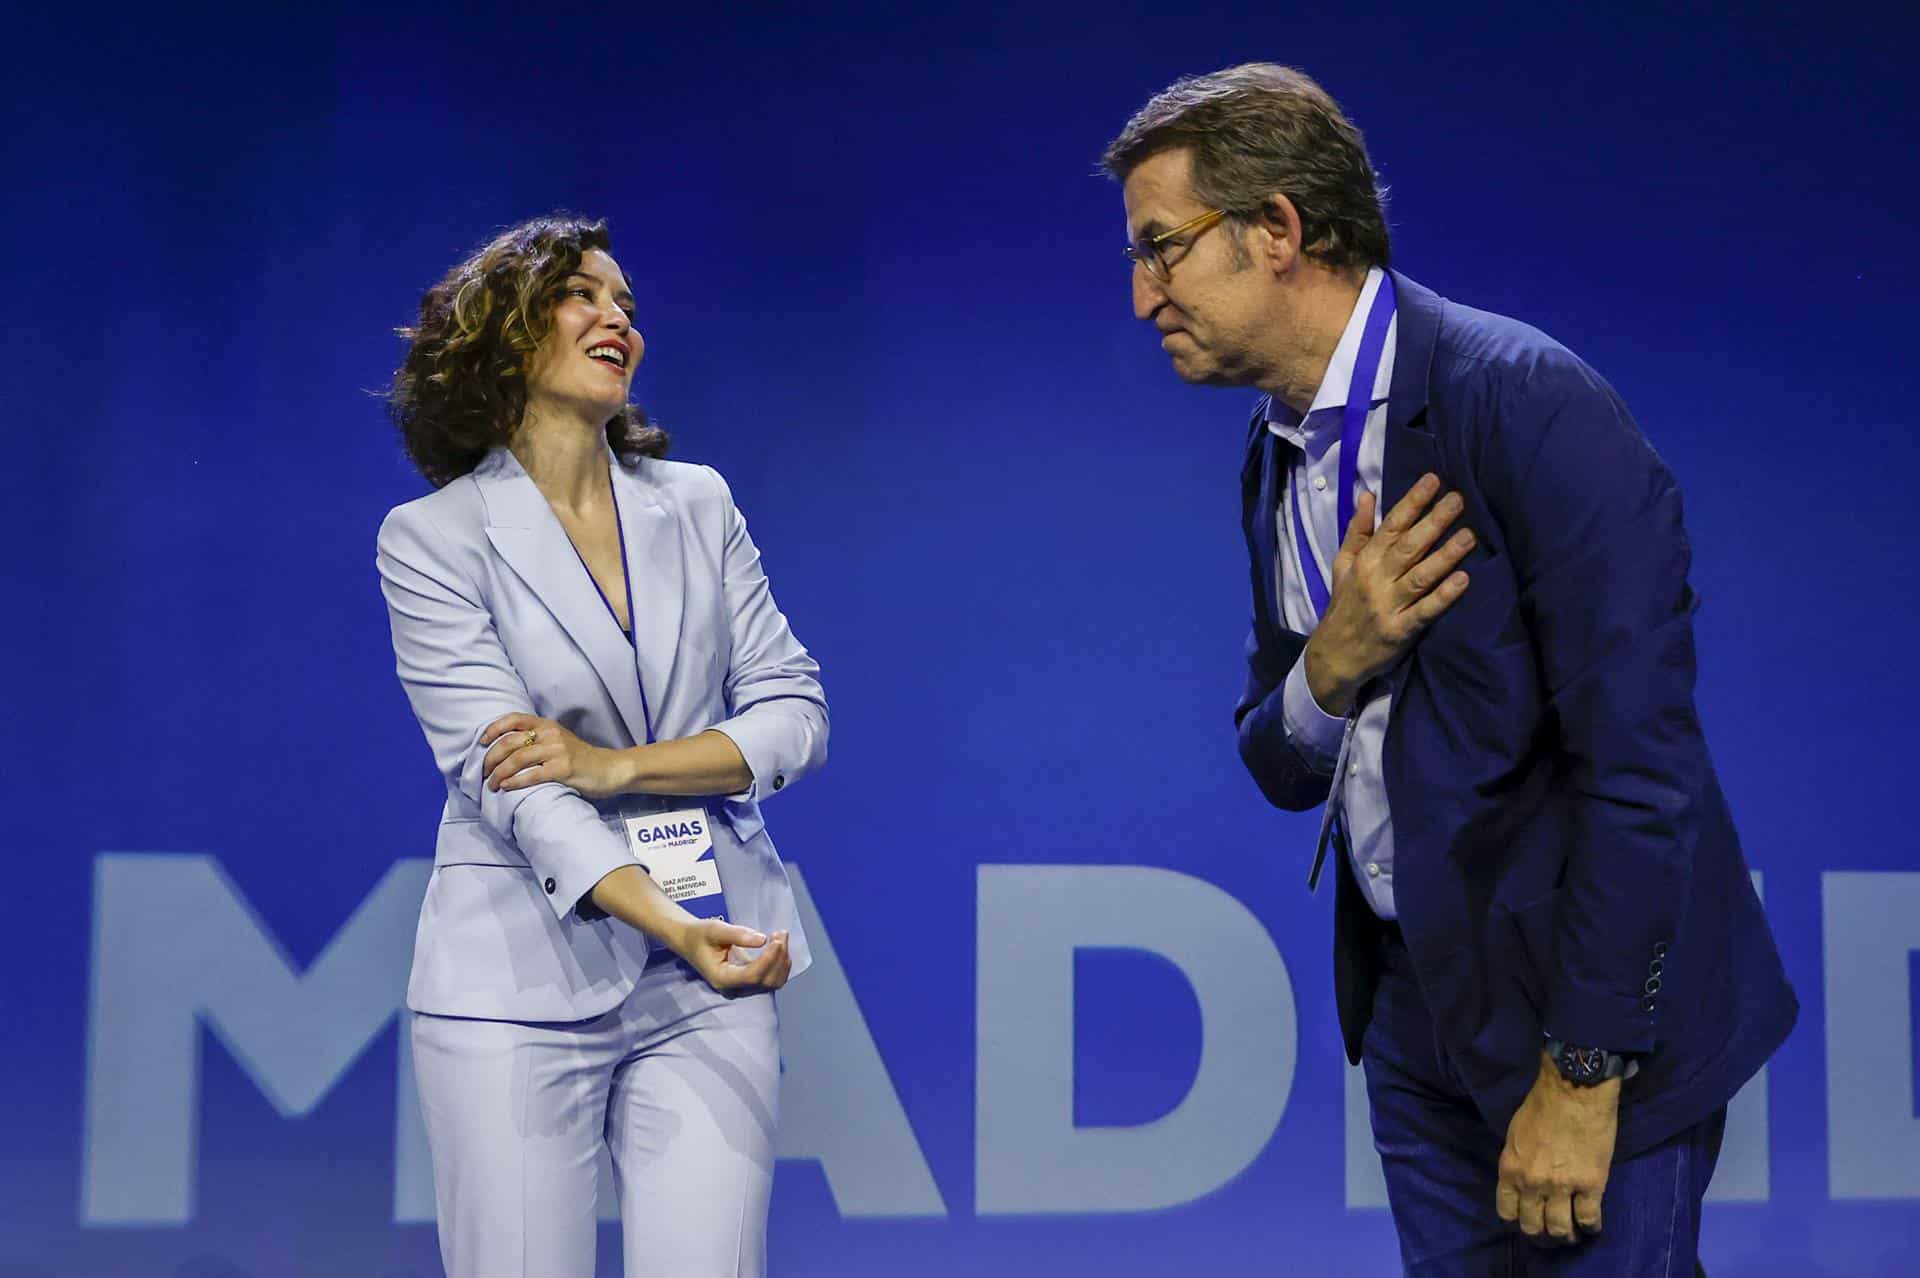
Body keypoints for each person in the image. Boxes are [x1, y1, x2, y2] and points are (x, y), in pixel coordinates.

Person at [1103, 66, 1795, 1275]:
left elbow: (1641, 766)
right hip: (1420, 1017)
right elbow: (1276, 756)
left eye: (1164, 249)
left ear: (1277, 230)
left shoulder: (1522, 402)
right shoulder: (1274, 454)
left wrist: (1583, 1075)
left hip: (1584, 1019)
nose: (1141, 295)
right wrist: (1332, 664)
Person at [376, 213, 827, 1278]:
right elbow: (517, 790)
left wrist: (617, 768)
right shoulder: (430, 539)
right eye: (583, 294)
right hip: (516, 989)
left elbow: (794, 714)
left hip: (711, 975)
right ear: (504, 333)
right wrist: (669, 922)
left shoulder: (698, 503)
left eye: (627, 303)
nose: (616, 316)